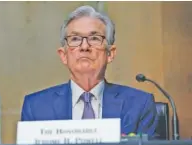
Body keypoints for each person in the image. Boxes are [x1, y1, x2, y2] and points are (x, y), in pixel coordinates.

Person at [21, 5, 158, 137]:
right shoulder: (36, 107)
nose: (85, 46)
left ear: (110, 53)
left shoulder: (140, 105)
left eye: (94, 38)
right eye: (75, 39)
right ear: (63, 55)